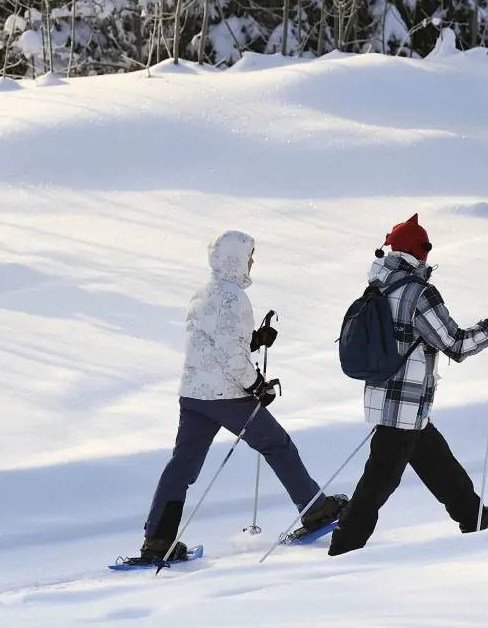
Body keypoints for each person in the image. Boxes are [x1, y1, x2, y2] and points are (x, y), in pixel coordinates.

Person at [132, 230, 344, 564]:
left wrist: (254, 340)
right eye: (249, 256)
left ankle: (157, 540)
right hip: (226, 395)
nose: (252, 262)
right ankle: (315, 509)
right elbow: (230, 356)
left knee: (182, 466)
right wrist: (256, 384)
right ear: (235, 258)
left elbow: (214, 344)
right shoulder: (233, 297)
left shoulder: (204, 292)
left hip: (194, 394)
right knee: (277, 444)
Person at [329, 214, 488, 557]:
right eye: (425, 250)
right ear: (418, 252)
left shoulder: (378, 285)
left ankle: (475, 517)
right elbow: (456, 344)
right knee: (379, 481)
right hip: (404, 405)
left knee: (439, 465)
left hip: (390, 398)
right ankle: (344, 546)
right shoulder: (418, 293)